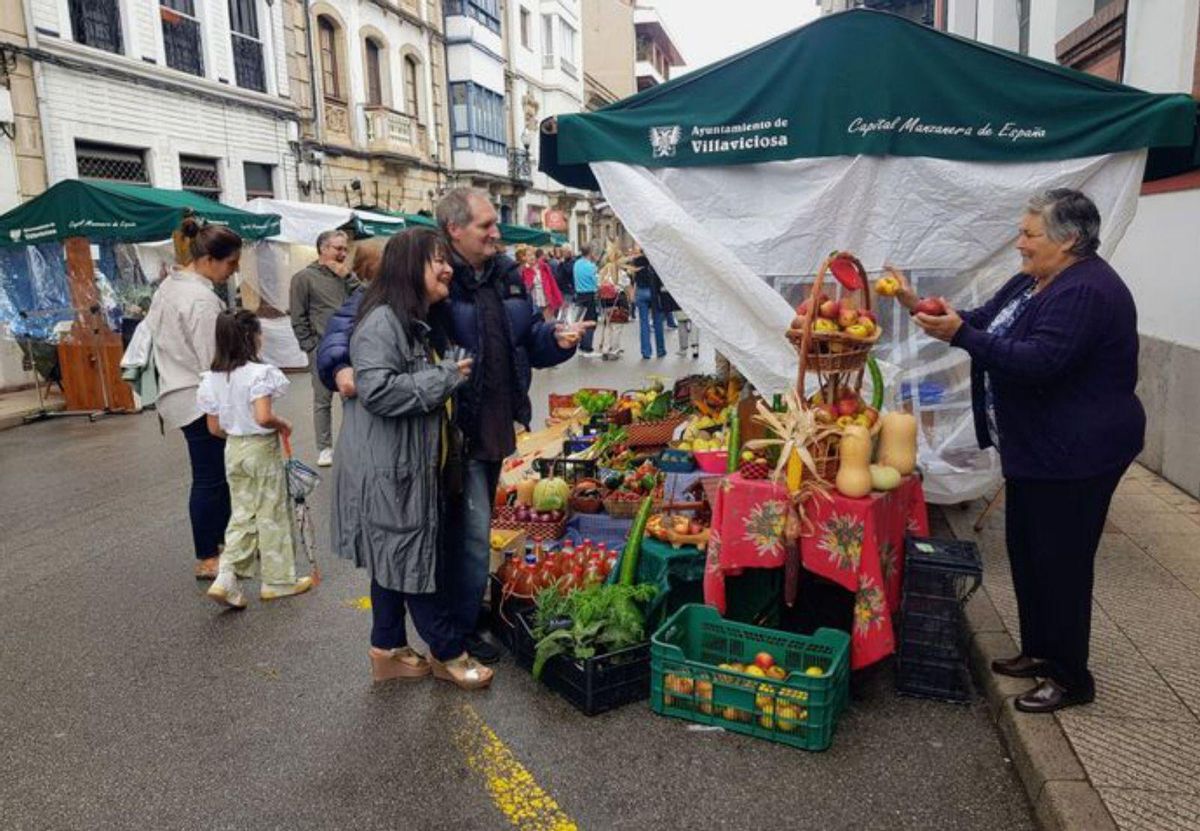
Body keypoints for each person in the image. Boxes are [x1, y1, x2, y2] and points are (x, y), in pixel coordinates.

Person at [848, 189, 1141, 713]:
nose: (1019, 243)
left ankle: (1071, 678)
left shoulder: (1087, 291)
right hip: (1038, 448)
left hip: (1078, 452)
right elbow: (983, 318)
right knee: (1029, 553)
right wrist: (920, 305)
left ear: (1069, 239)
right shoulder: (1036, 281)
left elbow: (1038, 361)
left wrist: (962, 334)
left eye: (1029, 234)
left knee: (1062, 562)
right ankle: (1038, 651)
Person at [317, 188, 586, 663]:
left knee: (457, 533)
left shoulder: (508, 276)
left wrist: (556, 340)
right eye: (486, 225)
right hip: (449, 428)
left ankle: (421, 630)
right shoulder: (425, 274)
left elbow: (525, 341)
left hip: (495, 422)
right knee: (458, 534)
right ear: (455, 230)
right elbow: (352, 322)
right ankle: (456, 633)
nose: (496, 233)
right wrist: (339, 364)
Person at [331, 229, 491, 689]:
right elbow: (377, 391)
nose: (448, 269)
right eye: (436, 260)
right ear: (408, 268)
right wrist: (443, 377)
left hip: (397, 465)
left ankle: (387, 648)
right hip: (389, 469)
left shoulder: (409, 318)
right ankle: (447, 652)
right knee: (408, 556)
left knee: (391, 555)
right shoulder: (384, 322)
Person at [143, 219, 241, 580]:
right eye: (231, 263)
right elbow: (212, 360)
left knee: (216, 474)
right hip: (198, 396)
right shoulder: (200, 300)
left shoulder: (170, 286)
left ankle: (225, 541)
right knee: (210, 477)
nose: (234, 271)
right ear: (210, 259)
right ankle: (206, 555)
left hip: (179, 390)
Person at [198, 311, 313, 609]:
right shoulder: (258, 374)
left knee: (242, 513)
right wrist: (282, 424)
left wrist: (238, 435)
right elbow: (263, 417)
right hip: (261, 449)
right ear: (252, 337)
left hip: (232, 449)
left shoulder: (211, 379)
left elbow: (214, 428)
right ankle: (277, 581)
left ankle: (226, 576)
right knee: (271, 512)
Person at [289, 229, 360, 467]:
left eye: (345, 249)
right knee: (322, 400)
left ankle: (353, 442)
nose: (343, 253)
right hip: (321, 348)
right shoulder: (303, 278)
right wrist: (310, 347)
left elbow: (365, 297)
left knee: (350, 396)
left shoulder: (346, 276)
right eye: (338, 248)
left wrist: (348, 276)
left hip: (350, 346)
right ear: (322, 248)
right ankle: (324, 448)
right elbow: (298, 316)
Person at [631, 244, 667, 359]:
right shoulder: (655, 261)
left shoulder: (636, 261)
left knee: (644, 323)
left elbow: (633, 278)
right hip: (654, 292)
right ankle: (660, 350)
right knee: (658, 322)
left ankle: (646, 352)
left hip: (641, 292)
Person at [573, 244, 599, 355]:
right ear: (590, 252)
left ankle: (582, 344)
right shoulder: (591, 266)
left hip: (579, 294)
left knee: (581, 320)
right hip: (589, 294)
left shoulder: (576, 264)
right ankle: (587, 346)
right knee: (591, 320)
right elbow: (596, 281)